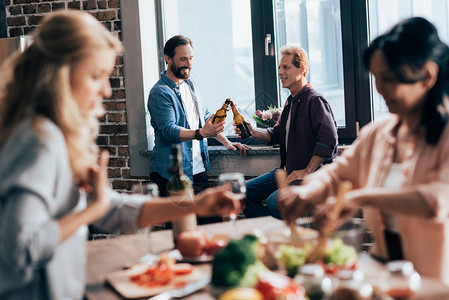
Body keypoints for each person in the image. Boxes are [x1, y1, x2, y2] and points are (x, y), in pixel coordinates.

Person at [0, 10, 241, 300]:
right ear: (60, 76)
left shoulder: (59, 136)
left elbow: (112, 208)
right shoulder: (37, 141)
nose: (106, 90)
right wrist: (92, 209)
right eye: (96, 76)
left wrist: (195, 205)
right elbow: (19, 250)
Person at [279, 17, 449, 285]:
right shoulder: (379, 133)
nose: (380, 89)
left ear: (427, 75)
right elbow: (337, 173)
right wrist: (308, 190)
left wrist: (357, 197)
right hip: (385, 278)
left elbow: (434, 200)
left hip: (437, 283)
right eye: (376, 79)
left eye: (390, 79)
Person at [236, 45, 338, 219]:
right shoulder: (290, 101)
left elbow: (329, 139)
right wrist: (253, 131)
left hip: (312, 175)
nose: (280, 72)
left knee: (277, 201)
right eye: (279, 68)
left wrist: (307, 171)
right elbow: (276, 134)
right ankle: (272, 234)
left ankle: (286, 239)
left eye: (286, 67)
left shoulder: (315, 100)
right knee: (240, 194)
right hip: (287, 171)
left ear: (302, 68)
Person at [148, 35, 250, 199]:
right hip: (172, 175)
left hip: (198, 170)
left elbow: (205, 117)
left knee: (210, 221)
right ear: (167, 58)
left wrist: (227, 142)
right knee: (183, 224)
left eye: (191, 58)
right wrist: (200, 133)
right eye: (183, 59)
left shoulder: (190, 84)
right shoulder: (160, 92)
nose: (188, 64)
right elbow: (169, 130)